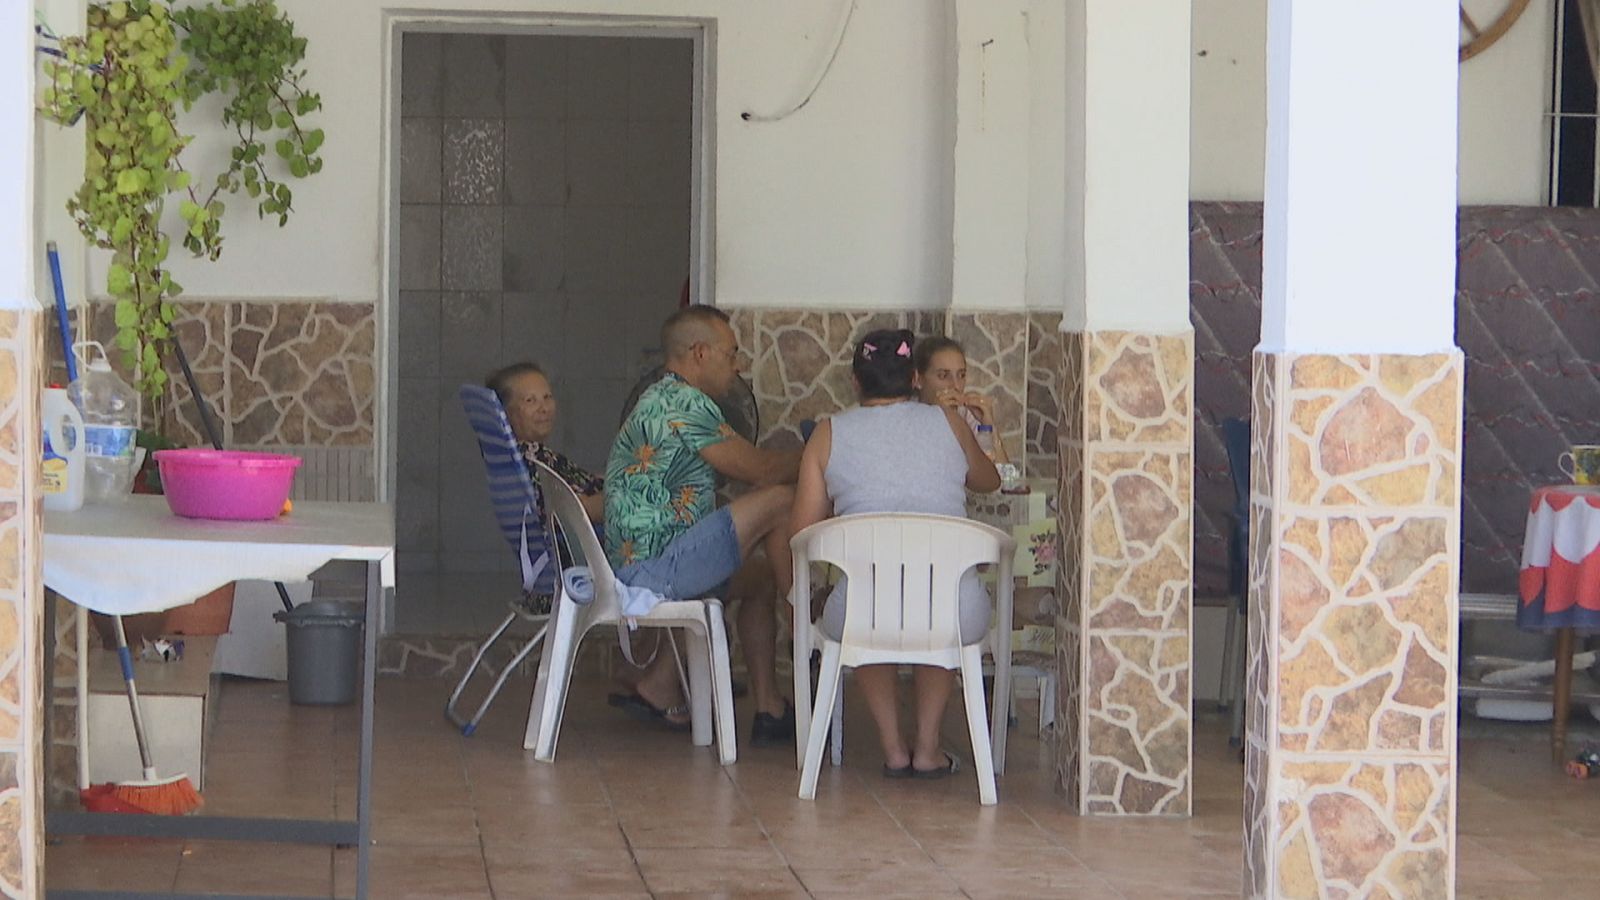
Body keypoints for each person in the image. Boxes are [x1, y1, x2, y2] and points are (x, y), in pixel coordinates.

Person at [790, 329, 1001, 778]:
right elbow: (989, 481)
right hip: (954, 611)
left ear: (855, 381)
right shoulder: (949, 424)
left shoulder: (827, 434)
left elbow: (802, 534)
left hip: (861, 612)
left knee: (868, 605)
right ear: (913, 378)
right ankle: (927, 748)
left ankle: (893, 748)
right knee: (937, 604)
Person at [604, 305, 802, 744]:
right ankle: (805, 626)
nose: (737, 366)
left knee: (760, 580)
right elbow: (762, 471)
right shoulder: (684, 402)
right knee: (780, 500)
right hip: (656, 570)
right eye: (730, 354)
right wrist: (823, 453)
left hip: (648, 563)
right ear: (699, 353)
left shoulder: (661, 395)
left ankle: (767, 707)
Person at [485, 362, 605, 614]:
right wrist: (627, 498)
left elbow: (584, 484)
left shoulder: (524, 457)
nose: (544, 408)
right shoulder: (535, 463)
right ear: (506, 413)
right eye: (530, 401)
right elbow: (578, 511)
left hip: (542, 585)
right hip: (572, 581)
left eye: (547, 397)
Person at [912, 336, 1011, 466]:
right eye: (943, 376)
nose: (956, 386)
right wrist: (935, 418)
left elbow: (1005, 475)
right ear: (918, 379)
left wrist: (989, 426)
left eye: (961, 375)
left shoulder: (967, 416)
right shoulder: (907, 418)